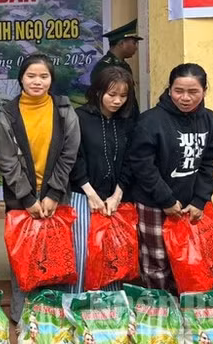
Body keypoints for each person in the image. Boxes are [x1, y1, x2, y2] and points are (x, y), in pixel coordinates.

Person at [0, 54, 80, 321]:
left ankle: (54, 317)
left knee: (56, 259)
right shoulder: (8, 114)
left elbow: (69, 154)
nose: (37, 81)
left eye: (43, 76)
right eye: (31, 76)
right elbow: (7, 161)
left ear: (51, 80)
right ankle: (23, 318)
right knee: (24, 259)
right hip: (22, 201)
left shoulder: (64, 110)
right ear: (21, 78)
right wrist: (28, 198)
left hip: (56, 198)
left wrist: (54, 194)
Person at [128, 63, 213, 293]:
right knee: (156, 263)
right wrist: (166, 200)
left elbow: (208, 163)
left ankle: (185, 308)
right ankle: (162, 312)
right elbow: (142, 165)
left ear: (204, 91)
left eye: (193, 92)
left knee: (188, 261)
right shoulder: (151, 121)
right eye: (179, 90)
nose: (185, 98)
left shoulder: (209, 120)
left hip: (189, 207)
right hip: (154, 204)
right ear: (169, 89)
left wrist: (200, 200)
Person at [68, 66, 136, 292]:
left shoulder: (127, 121)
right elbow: (74, 158)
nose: (117, 101)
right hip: (83, 196)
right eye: (112, 94)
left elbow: (131, 159)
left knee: (113, 254)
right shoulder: (80, 118)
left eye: (123, 96)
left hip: (115, 199)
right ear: (98, 92)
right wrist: (90, 193)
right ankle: (78, 305)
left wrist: (118, 194)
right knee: (84, 254)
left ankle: (110, 309)